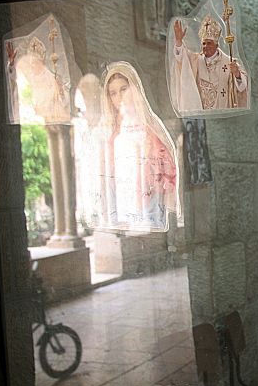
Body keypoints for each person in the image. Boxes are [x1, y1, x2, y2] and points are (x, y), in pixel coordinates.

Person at [99, 62, 178, 231]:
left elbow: (168, 170)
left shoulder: (151, 128)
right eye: (113, 93)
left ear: (134, 88)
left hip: (150, 205)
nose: (119, 97)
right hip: (122, 207)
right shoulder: (112, 134)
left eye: (123, 89)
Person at [172, 16, 249, 112]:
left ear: (217, 45)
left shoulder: (230, 62)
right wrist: (179, 41)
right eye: (204, 43)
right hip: (201, 113)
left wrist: (237, 74)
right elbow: (181, 58)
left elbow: (242, 86)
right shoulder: (195, 60)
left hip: (222, 111)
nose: (206, 46)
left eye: (209, 43)